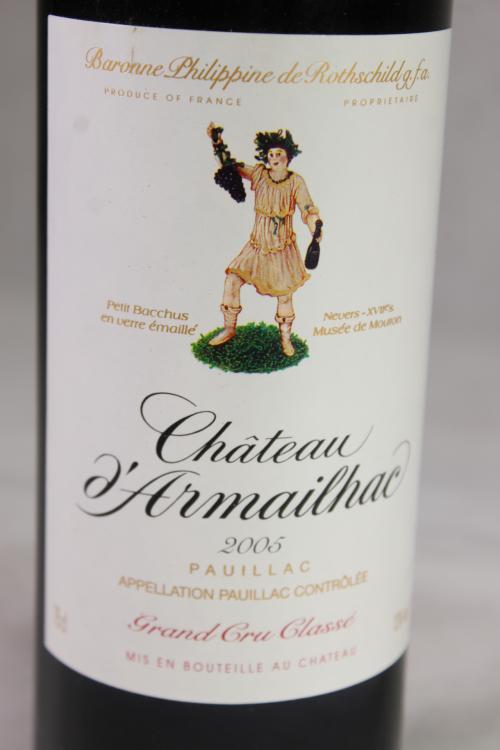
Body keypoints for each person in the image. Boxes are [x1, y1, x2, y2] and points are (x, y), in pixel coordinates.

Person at [207, 123, 322, 356]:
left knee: (285, 294)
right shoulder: (259, 174)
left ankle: (286, 340)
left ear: (288, 156)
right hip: (257, 246)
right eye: (270, 154)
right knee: (232, 279)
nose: (274, 158)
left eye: (279, 153)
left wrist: (315, 228)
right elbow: (231, 166)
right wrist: (217, 143)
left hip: (282, 248)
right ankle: (229, 328)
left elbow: (308, 209)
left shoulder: (295, 182)